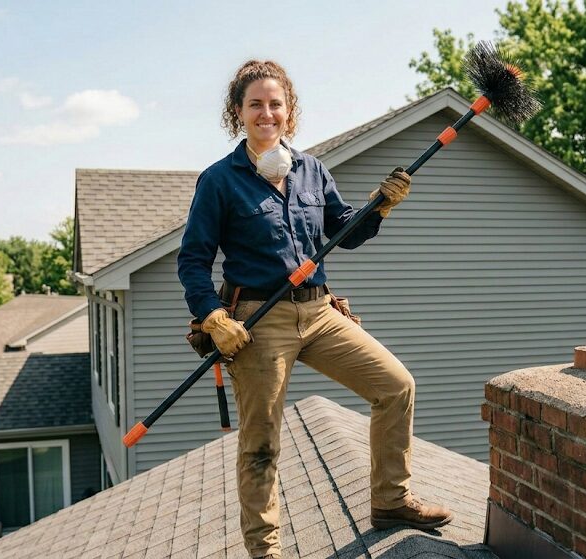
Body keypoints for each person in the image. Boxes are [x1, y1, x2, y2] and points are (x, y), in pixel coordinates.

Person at [177, 59, 453, 559]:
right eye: (255, 104)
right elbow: (192, 260)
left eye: (275, 103)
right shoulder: (219, 180)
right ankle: (265, 550)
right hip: (259, 323)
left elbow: (341, 231)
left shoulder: (310, 170)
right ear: (237, 112)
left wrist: (378, 207)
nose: (267, 113)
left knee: (396, 386)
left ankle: (391, 500)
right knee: (261, 441)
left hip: (320, 311)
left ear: (289, 111)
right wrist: (213, 317)